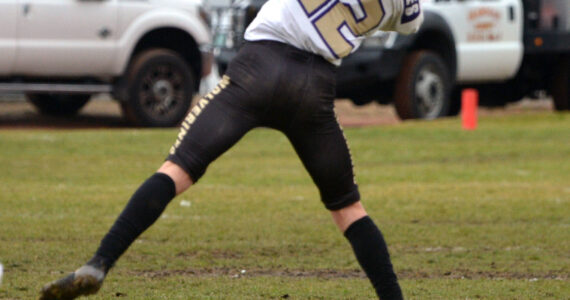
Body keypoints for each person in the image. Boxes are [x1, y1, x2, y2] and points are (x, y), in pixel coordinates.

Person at [39, 0, 423, 299]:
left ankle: (99, 263)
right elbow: (410, 20)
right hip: (314, 87)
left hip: (259, 69)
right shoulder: (406, 9)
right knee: (347, 207)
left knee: (178, 170)